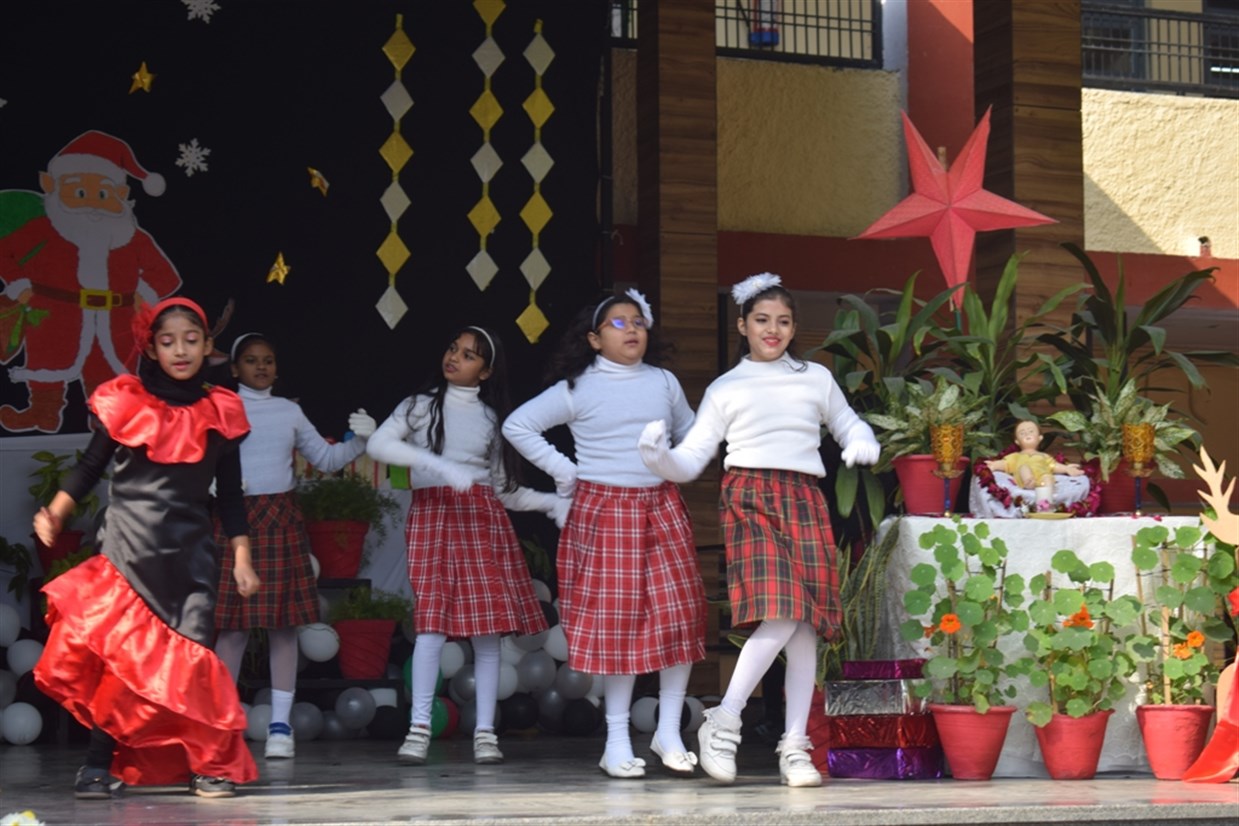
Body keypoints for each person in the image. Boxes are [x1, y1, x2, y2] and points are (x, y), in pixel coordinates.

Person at [638, 273, 880, 787]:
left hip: (805, 497)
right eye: (763, 320)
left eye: (784, 321)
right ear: (743, 326)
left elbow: (848, 423)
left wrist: (862, 440)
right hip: (750, 495)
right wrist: (661, 460)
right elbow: (692, 457)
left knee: (805, 627)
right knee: (784, 612)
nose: (773, 329)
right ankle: (725, 720)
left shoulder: (815, 377)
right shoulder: (726, 387)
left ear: (794, 328)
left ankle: (794, 745)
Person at [31, 297, 258, 799]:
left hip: (191, 556)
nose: (181, 350)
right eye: (168, 341)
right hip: (129, 552)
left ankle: (208, 764)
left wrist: (242, 558)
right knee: (124, 661)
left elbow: (231, 496)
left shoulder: (221, 410)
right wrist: (57, 512)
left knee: (193, 659)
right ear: (151, 349)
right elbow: (90, 467)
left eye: (191, 340)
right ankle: (97, 763)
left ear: (208, 346)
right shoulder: (127, 400)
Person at [503, 290, 706, 779]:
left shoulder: (663, 381)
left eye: (638, 321)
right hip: (606, 512)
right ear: (594, 339)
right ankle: (615, 740)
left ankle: (668, 730)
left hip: (661, 506)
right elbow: (518, 425)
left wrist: (671, 462)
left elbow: (694, 435)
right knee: (620, 625)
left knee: (680, 614)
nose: (631, 328)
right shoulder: (578, 388)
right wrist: (564, 470)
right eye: (618, 322)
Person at [366, 325, 565, 767]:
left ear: (486, 372)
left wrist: (550, 502)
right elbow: (379, 444)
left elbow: (505, 491)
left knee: (486, 632)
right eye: (453, 348)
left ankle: (485, 733)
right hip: (434, 515)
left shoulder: (491, 420)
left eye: (469, 355)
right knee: (431, 625)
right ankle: (419, 728)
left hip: (480, 518)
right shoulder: (420, 405)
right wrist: (436, 465)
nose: (455, 357)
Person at [213, 332, 376, 760]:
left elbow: (326, 459)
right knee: (232, 628)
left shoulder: (289, 411)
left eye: (268, 360)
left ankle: (281, 727)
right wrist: (211, 484)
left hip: (280, 518)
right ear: (235, 368)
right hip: (234, 517)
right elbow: (198, 456)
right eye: (251, 360)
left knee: (284, 626)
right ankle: (221, 725)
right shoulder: (220, 406)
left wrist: (362, 441)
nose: (261, 367)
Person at [0, 130, 181, 433]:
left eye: (103, 195)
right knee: (48, 364)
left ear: (121, 194)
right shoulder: (43, 229)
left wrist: (145, 292)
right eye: (80, 192)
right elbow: (4, 252)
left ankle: (108, 421)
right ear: (52, 186)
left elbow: (165, 275)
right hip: (56, 316)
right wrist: (18, 284)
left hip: (115, 319)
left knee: (108, 374)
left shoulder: (131, 237)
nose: (93, 203)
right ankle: (43, 411)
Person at [985, 419, 1084, 490]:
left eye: (1031, 431)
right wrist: (994, 465)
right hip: (1024, 477)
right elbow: (1005, 463)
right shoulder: (1015, 456)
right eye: (1022, 433)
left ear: (1040, 437)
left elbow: (1053, 465)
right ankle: (1029, 482)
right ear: (1017, 441)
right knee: (1024, 468)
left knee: (1047, 477)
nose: (1027, 434)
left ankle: (1047, 493)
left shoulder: (1044, 456)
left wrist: (1066, 469)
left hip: (1042, 475)